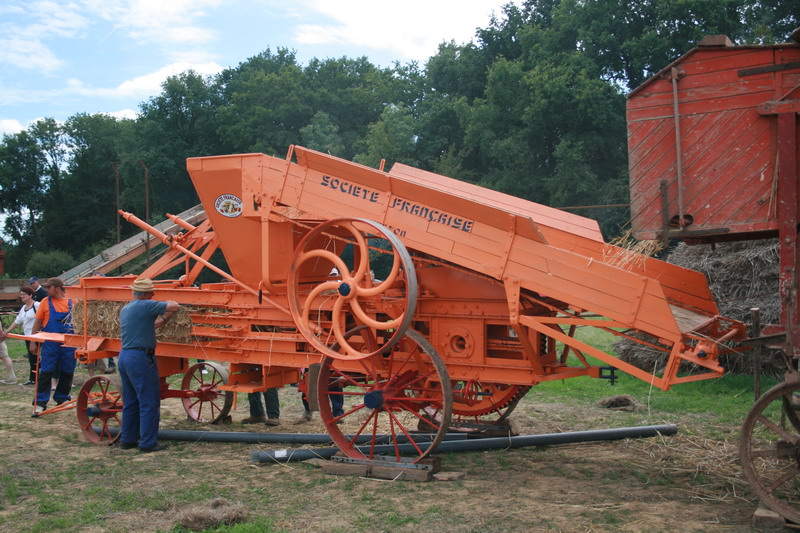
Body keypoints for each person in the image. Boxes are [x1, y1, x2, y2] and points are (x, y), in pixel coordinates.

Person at [117, 278, 179, 452]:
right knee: (149, 401)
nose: (154, 294)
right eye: (151, 292)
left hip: (125, 356)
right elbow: (174, 305)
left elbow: (151, 325)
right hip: (140, 358)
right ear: (144, 294)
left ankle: (128, 440)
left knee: (131, 401)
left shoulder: (127, 308)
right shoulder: (145, 305)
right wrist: (171, 305)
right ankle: (148, 443)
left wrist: (165, 320)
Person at [30, 278, 75, 413]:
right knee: (46, 371)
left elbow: (80, 323)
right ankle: (40, 402)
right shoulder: (45, 302)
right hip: (50, 343)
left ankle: (62, 398)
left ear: (57, 288)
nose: (46, 290)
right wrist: (33, 342)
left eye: (48, 288)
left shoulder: (73, 301)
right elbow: (37, 323)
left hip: (69, 343)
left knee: (68, 371)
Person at [1, 286, 39, 385]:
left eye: (24, 294)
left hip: (36, 336)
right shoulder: (23, 308)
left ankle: (36, 379)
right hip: (27, 336)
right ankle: (33, 379)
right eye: (21, 294)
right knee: (32, 358)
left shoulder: (37, 305)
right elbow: (17, 321)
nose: (21, 296)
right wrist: (6, 332)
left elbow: (44, 318)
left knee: (35, 357)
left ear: (30, 295)